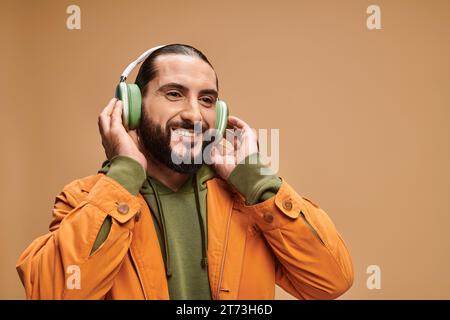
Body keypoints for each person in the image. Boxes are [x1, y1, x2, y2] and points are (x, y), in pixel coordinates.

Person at [16, 44, 353, 300]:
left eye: (207, 100)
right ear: (132, 108)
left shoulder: (249, 202)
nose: (194, 114)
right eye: (174, 94)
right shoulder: (85, 200)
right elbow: (53, 292)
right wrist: (123, 176)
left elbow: (332, 280)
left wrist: (256, 178)